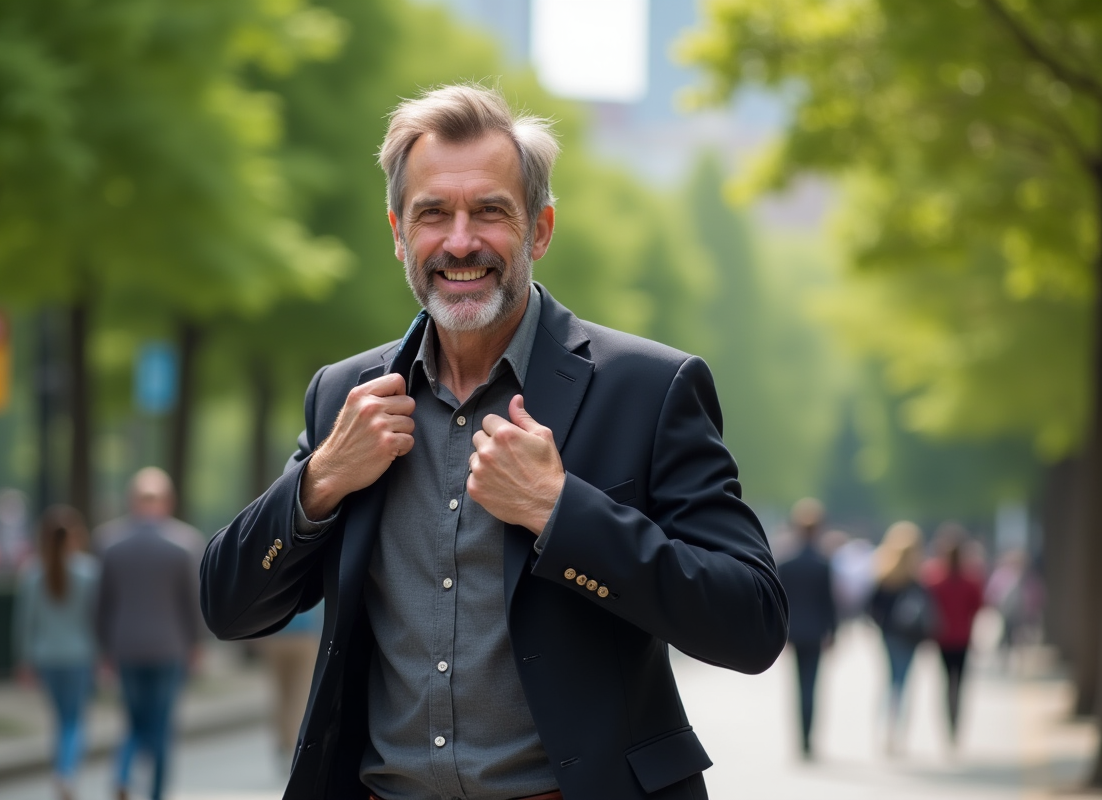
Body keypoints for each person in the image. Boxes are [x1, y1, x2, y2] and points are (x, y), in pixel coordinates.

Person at [200, 84, 788, 800]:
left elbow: (752, 622)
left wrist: (561, 512)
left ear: (539, 230)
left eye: (489, 211)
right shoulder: (344, 397)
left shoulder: (650, 388)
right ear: (396, 231)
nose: (459, 241)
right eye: (432, 214)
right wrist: (320, 480)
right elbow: (229, 607)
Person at [95, 469, 201, 800]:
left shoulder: (109, 544)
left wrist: (103, 648)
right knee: (162, 725)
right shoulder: (184, 545)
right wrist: (196, 645)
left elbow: (102, 603)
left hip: (125, 646)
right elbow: (192, 602)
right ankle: (156, 793)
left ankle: (123, 774)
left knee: (134, 720)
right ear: (167, 501)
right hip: (169, 647)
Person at [13, 505, 99, 800]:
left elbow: (25, 622)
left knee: (60, 720)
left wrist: (24, 659)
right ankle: (67, 772)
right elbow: (96, 620)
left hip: (46, 657)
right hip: (79, 656)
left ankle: (60, 770)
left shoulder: (32, 573)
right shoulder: (89, 572)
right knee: (75, 721)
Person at [776, 498, 837, 759]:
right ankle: (809, 740)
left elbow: (779, 602)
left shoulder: (786, 563)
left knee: (798, 687)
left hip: (793, 632)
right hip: (815, 632)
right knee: (812, 687)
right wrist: (833, 632)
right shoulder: (823, 564)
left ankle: (801, 740)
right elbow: (829, 602)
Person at [869, 521, 932, 755]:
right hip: (909, 638)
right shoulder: (918, 579)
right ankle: (899, 736)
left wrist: (884, 625)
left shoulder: (884, 575)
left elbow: (871, 607)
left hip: (889, 635)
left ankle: (884, 732)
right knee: (904, 684)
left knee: (888, 682)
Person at [923, 523, 983, 747]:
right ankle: (956, 723)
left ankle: (949, 723)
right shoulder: (971, 579)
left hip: (943, 638)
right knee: (960, 684)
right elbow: (978, 607)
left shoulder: (934, 578)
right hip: (963, 638)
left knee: (946, 682)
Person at [94, 467, 206, 565]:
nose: (150, 507)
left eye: (154, 500)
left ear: (170, 502)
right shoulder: (107, 539)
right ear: (130, 501)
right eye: (144, 500)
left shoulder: (190, 543)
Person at [258, 602, 325, 767]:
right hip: (304, 637)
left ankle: (282, 742)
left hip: (275, 635)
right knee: (299, 695)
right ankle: (292, 745)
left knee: (280, 693)